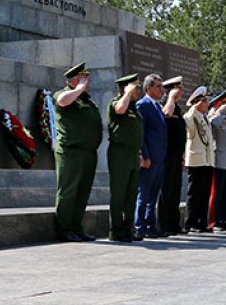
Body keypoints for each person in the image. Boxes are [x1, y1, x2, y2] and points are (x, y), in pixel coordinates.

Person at [53, 62, 103, 243]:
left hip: (88, 152)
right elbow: (62, 101)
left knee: (83, 192)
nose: (88, 81)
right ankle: (64, 229)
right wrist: (79, 89)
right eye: (84, 78)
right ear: (74, 80)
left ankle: (76, 227)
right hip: (71, 152)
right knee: (69, 191)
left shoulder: (86, 99)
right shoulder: (64, 94)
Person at [107, 74, 144, 243]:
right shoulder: (117, 102)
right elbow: (119, 110)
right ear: (126, 88)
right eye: (135, 88)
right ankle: (116, 230)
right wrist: (127, 94)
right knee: (119, 193)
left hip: (133, 154)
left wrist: (140, 153)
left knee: (131, 194)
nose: (138, 91)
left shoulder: (134, 108)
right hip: (119, 154)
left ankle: (129, 228)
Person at [135, 74, 169, 239]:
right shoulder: (143, 105)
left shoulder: (157, 106)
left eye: (161, 86)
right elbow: (142, 133)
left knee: (153, 195)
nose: (161, 90)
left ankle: (151, 225)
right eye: (158, 87)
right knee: (144, 194)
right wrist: (145, 155)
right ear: (148, 88)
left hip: (160, 157)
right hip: (150, 158)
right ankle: (140, 225)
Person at [184, 86, 215, 233]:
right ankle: (191, 222)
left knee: (204, 193)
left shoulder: (204, 118)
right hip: (196, 160)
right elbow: (188, 126)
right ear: (197, 103)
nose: (207, 104)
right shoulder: (191, 116)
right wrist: (193, 108)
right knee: (195, 193)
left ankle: (202, 222)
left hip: (207, 160)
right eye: (204, 101)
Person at [158, 76, 186, 235]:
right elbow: (166, 114)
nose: (181, 92)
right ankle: (164, 224)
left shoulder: (176, 107)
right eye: (178, 89)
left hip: (176, 154)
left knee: (175, 190)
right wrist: (170, 97)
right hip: (167, 154)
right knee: (166, 190)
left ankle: (174, 223)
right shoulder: (166, 104)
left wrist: (182, 153)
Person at [208, 91, 226, 231]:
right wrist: (220, 112)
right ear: (217, 104)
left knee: (225, 193)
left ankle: (222, 219)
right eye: (223, 103)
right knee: (217, 193)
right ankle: (214, 220)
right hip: (218, 160)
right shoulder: (214, 115)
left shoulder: (225, 119)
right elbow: (212, 124)